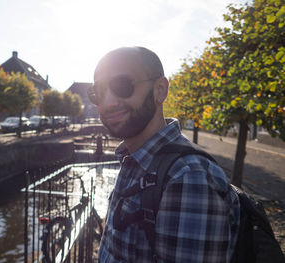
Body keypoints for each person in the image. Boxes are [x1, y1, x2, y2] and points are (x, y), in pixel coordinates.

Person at [87, 47, 240, 262]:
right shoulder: (135, 159)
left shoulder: (188, 178)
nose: (109, 102)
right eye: (99, 92)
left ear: (160, 89)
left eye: (122, 85)